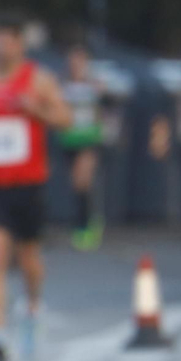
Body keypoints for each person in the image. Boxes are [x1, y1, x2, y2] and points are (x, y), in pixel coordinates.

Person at [0, 13, 72, 361]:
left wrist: (36, 109)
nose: (0, 45)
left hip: (27, 182)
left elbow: (66, 119)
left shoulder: (37, 80)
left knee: (28, 260)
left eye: (8, 39)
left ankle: (33, 307)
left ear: (19, 45)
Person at [57, 41, 107, 250]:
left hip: (88, 140)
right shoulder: (63, 85)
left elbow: (104, 111)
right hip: (70, 140)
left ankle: (86, 226)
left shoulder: (93, 85)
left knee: (82, 180)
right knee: (76, 185)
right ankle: (83, 223)